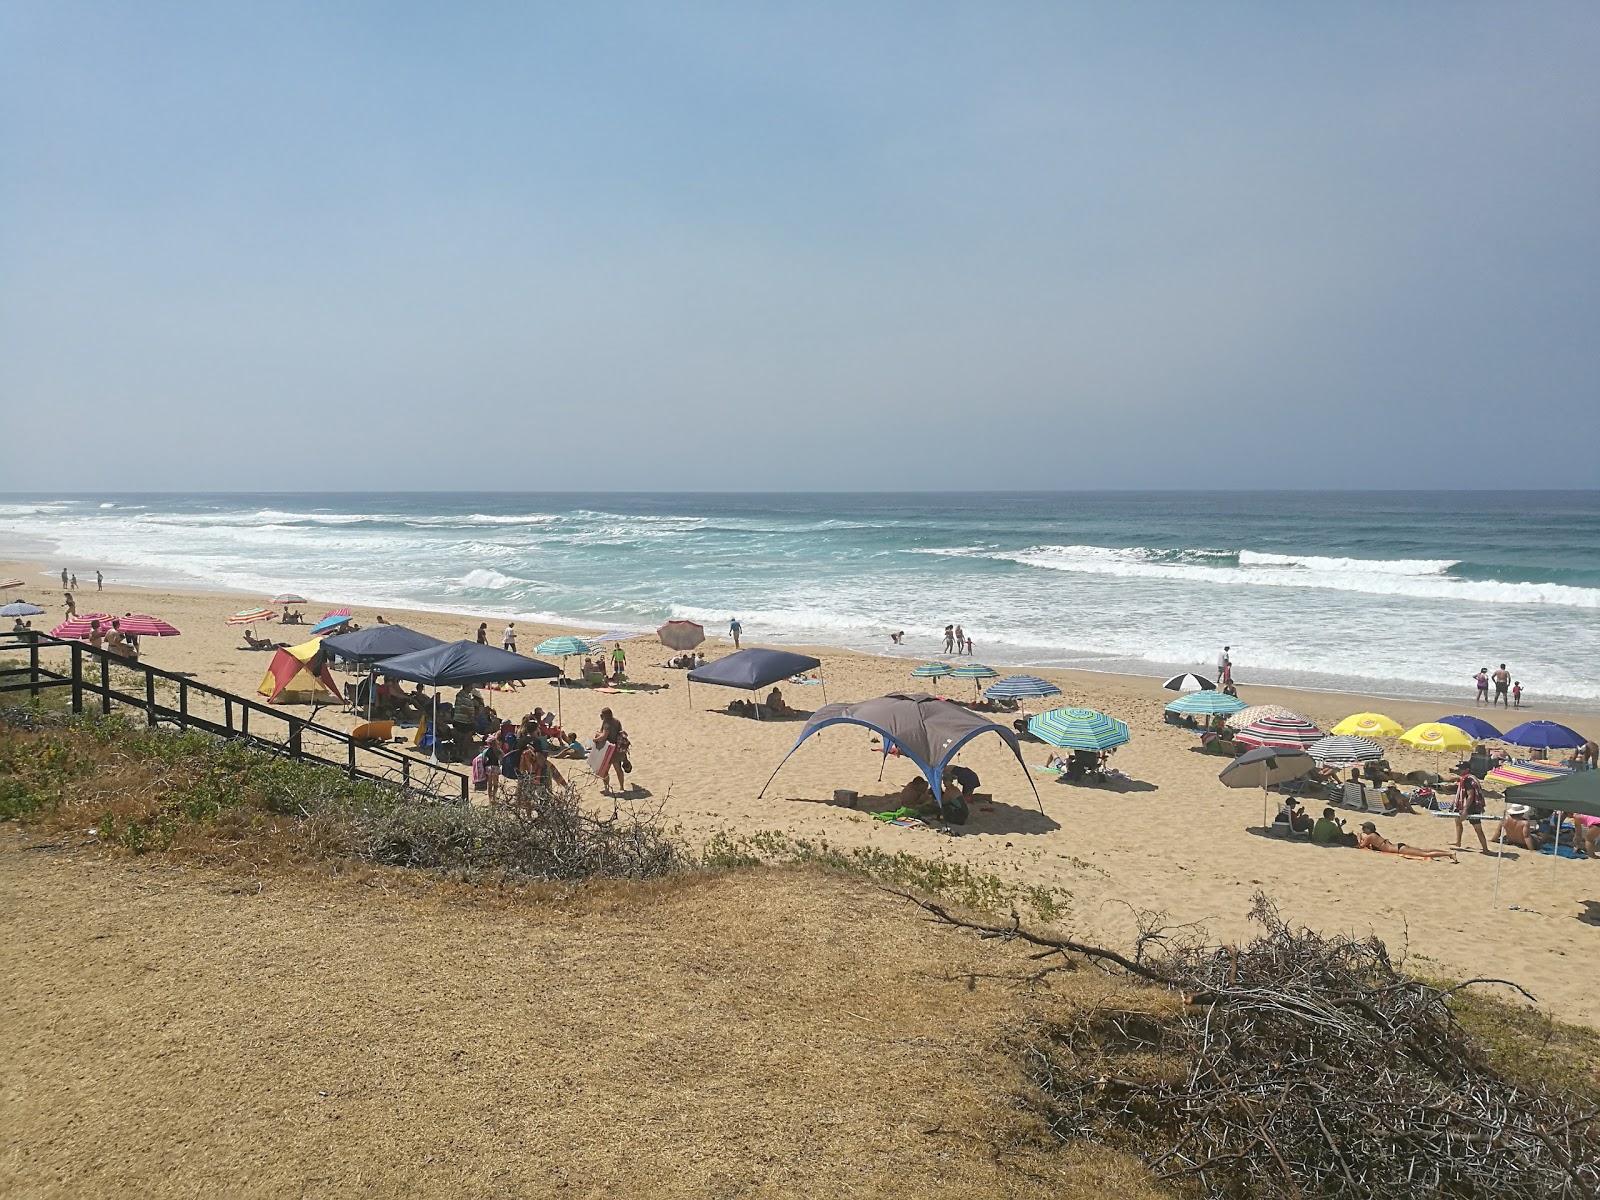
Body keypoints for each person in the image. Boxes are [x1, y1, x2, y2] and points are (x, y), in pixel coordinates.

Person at [1357, 821, 1458, 862]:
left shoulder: (1370, 836)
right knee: (1424, 850)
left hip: (1400, 850)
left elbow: (1360, 846)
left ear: (1368, 829)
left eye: (1364, 828)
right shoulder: (1375, 835)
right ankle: (1447, 853)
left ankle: (1449, 853)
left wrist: (1358, 837)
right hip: (1399, 846)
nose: (1362, 829)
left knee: (1424, 854)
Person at [1451, 771, 1490, 852]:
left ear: (1467, 769)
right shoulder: (1472, 778)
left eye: (1462, 769)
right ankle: (1458, 842)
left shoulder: (1467, 780)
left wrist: (1465, 809)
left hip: (1472, 808)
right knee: (1457, 820)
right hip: (1474, 807)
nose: (1460, 770)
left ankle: (1485, 849)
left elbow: (1471, 795)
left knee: (1478, 828)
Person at [594, 707, 629, 794]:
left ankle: (607, 789)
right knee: (618, 769)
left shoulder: (606, 724)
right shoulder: (616, 721)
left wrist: (596, 739)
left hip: (609, 749)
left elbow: (604, 736)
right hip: (618, 748)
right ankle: (622, 787)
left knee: (605, 770)